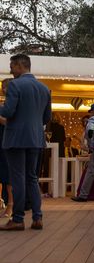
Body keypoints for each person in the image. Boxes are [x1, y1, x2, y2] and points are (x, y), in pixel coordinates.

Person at [0, 54, 52, 231]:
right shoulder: (44, 88)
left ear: (20, 66)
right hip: (36, 138)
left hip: (16, 138)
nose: (11, 70)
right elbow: (47, 118)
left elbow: (7, 111)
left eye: (12, 66)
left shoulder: (15, 85)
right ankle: (37, 218)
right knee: (32, 178)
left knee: (18, 179)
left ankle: (18, 218)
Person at [0, 79, 13, 218]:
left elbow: (10, 122)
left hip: (8, 142)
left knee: (8, 176)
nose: (3, 90)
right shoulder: (4, 104)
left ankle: (11, 205)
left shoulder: (13, 104)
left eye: (5, 87)